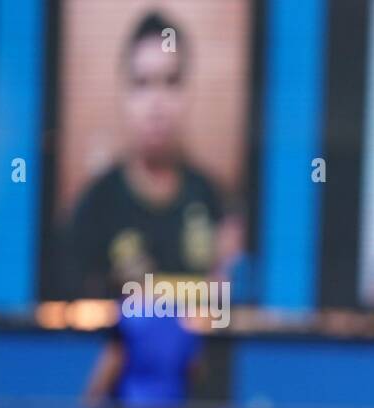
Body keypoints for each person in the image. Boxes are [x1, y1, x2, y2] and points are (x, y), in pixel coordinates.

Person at [57, 11, 242, 300]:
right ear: (124, 94)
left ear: (188, 92)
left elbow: (227, 309)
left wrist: (228, 275)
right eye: (142, 83)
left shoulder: (214, 202)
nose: (157, 103)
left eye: (170, 81)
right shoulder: (94, 208)